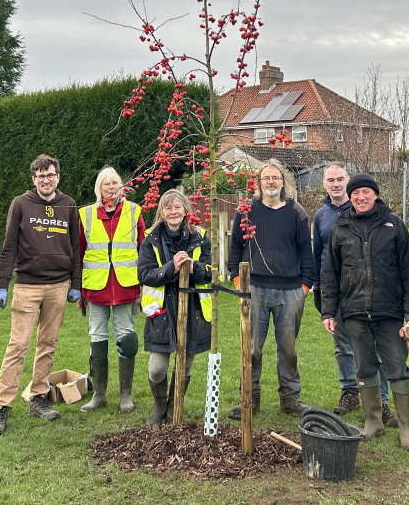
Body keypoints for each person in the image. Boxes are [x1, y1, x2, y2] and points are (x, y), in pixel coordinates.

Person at [321, 173, 409, 451]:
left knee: (397, 369)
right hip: (353, 312)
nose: (361, 197)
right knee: (363, 367)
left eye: (366, 192)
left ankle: (406, 429)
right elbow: (330, 273)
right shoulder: (340, 228)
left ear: (375, 194)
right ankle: (372, 422)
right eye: (356, 194)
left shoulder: (393, 225)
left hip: (389, 312)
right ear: (350, 197)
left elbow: (408, 271)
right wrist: (329, 310)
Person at [0, 155, 82, 435]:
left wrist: (75, 284)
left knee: (48, 344)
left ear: (58, 177)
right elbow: (9, 247)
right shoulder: (21, 204)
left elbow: (75, 247)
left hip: (59, 285)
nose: (46, 180)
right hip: (27, 285)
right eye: (40, 176)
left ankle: (38, 398)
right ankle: (1, 407)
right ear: (33, 179)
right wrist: (3, 284)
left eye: (50, 175)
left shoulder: (69, 205)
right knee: (18, 346)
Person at [227, 159, 314, 418]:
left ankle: (290, 399)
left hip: (290, 291)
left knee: (287, 348)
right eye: (266, 178)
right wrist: (237, 280)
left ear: (283, 182)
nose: (271, 182)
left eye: (276, 178)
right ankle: (249, 399)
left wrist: (305, 287)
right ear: (259, 182)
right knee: (252, 348)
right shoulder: (246, 211)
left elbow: (305, 252)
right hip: (255, 289)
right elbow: (234, 250)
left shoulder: (296, 211)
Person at [313, 163, 395, 425]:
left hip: (367, 290)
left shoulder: (361, 209)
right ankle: (350, 392)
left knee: (374, 348)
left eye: (340, 179)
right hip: (336, 290)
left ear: (347, 182)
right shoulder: (321, 216)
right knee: (342, 346)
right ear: (324, 184)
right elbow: (318, 257)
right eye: (330, 180)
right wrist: (321, 292)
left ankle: (381, 400)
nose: (335, 184)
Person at [137, 190, 213, 426]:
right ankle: (159, 404)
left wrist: (194, 269)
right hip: (161, 312)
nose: (173, 212)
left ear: (186, 210)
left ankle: (173, 407)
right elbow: (144, 274)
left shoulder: (200, 237)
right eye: (168, 208)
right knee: (157, 369)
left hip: (193, 311)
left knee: (184, 367)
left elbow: (212, 272)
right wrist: (171, 267)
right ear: (161, 211)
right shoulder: (151, 239)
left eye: (177, 207)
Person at [78, 166, 146, 413]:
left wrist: (142, 285)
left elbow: (143, 249)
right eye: (105, 183)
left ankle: (125, 395)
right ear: (99, 188)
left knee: (126, 337)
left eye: (115, 182)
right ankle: (99, 394)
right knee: (97, 337)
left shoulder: (134, 211)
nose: (111, 187)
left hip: (126, 285)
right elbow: (79, 252)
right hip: (95, 287)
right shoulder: (85, 214)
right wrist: (79, 290)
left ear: (122, 186)